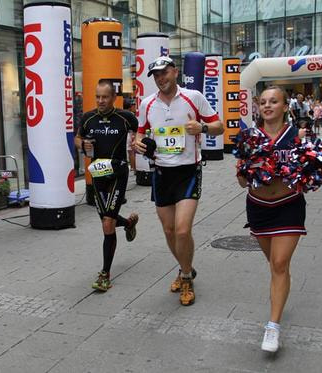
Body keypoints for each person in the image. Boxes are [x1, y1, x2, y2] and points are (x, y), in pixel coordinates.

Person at [133, 56, 223, 306]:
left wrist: (202, 129)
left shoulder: (193, 98)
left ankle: (186, 277)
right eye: (156, 75)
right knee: (169, 230)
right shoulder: (147, 104)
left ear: (174, 71)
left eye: (164, 72)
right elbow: (139, 134)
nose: (160, 78)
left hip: (188, 171)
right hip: (161, 173)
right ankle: (186, 268)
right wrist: (138, 144)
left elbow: (220, 126)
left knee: (183, 229)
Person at [237, 86, 307, 353]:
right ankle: (282, 286)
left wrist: (302, 170)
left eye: (273, 101)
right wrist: (245, 169)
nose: (267, 106)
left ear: (285, 106)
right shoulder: (249, 137)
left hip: (288, 206)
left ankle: (273, 327)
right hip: (258, 207)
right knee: (276, 265)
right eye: (263, 102)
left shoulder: (298, 136)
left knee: (279, 263)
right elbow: (242, 181)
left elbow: (312, 174)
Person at [75, 79, 140, 292]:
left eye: (105, 97)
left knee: (107, 223)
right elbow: (77, 138)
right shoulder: (88, 118)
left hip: (118, 174)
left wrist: (138, 145)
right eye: (98, 97)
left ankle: (105, 274)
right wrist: (82, 144)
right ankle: (129, 224)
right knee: (106, 220)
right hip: (98, 175)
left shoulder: (126, 117)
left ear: (114, 98)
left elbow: (143, 131)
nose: (101, 101)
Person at [124, 97, 137, 172]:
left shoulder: (123, 113)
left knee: (130, 152)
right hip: (130, 134)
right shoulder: (130, 115)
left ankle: (132, 167)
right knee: (132, 152)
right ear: (130, 106)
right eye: (134, 105)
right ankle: (134, 168)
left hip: (127, 134)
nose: (135, 107)